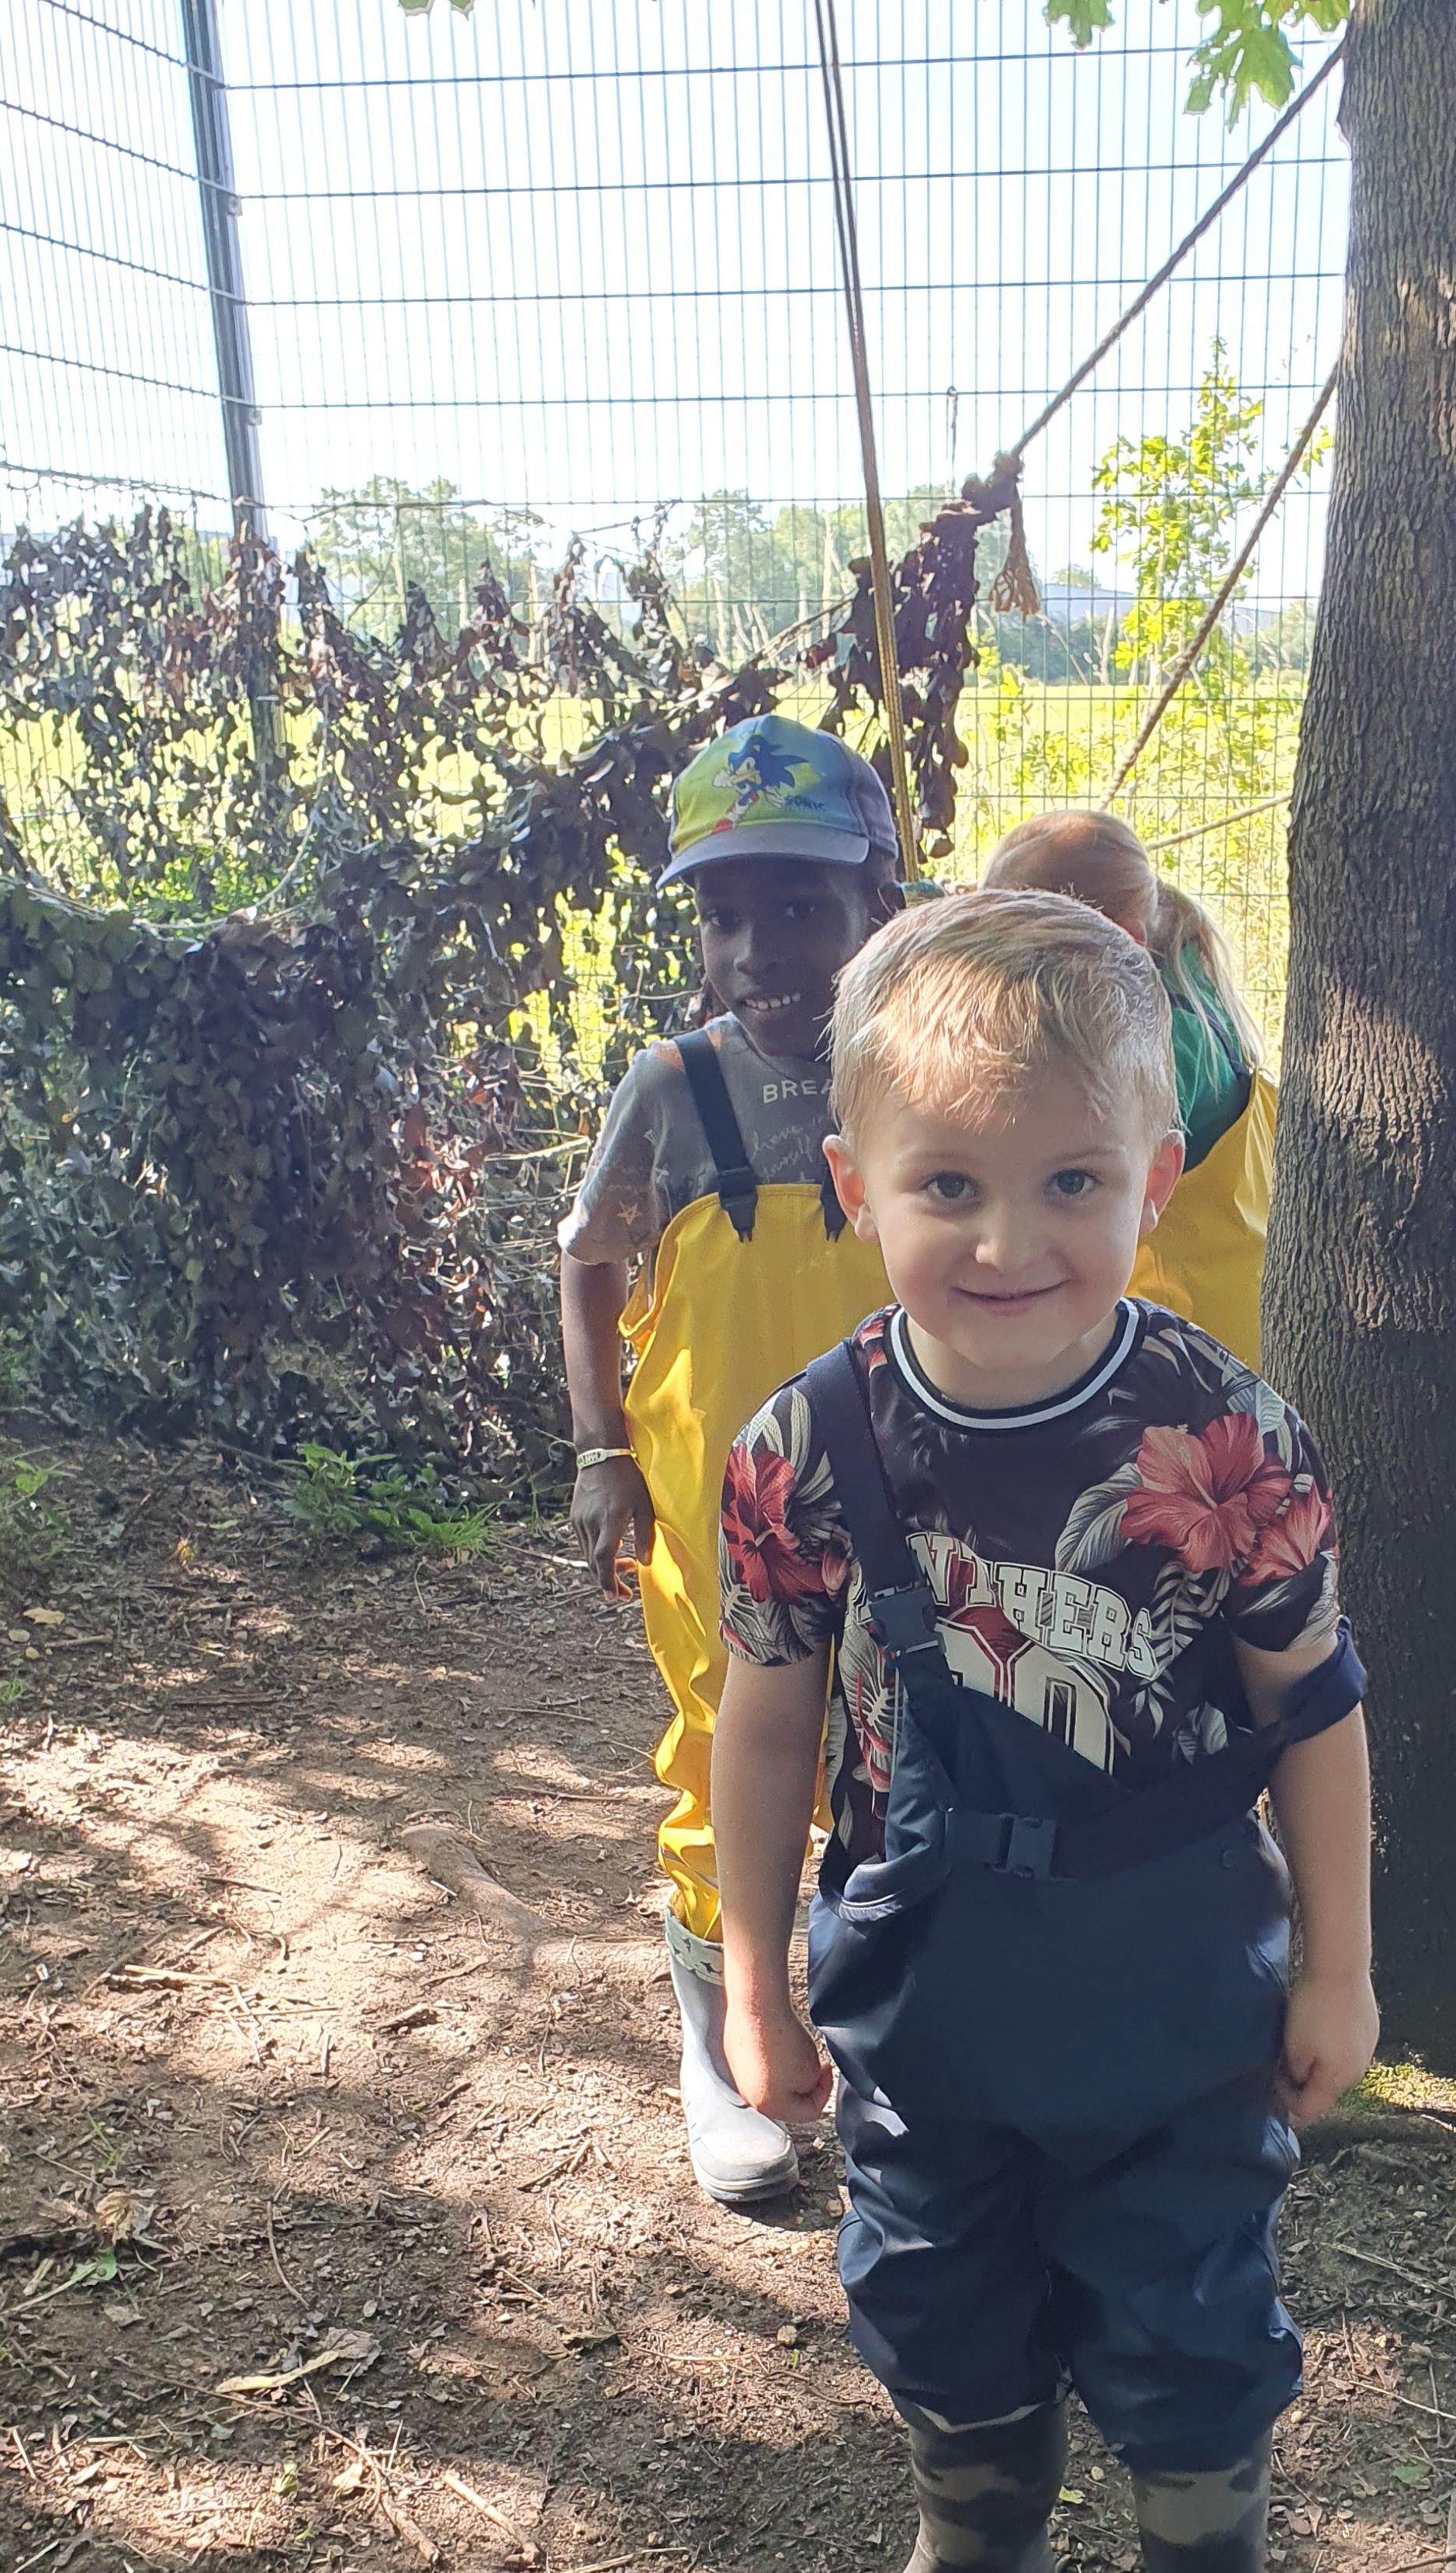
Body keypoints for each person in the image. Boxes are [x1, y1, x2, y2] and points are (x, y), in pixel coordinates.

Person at [710, 888, 1377, 2573]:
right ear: (857, 1187)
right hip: (928, 1989)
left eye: (1072, 1180)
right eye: (951, 1186)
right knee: (933, 2290)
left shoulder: (1223, 1434)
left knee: (1187, 2323)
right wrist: (752, 1979)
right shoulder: (807, 1447)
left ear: (1157, 1178)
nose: (1011, 1240)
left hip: (1173, 1989)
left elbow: (1318, 1707)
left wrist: (1343, 1969)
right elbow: (764, 1722)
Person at [559, 717, 904, 2211]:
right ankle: (719, 2040)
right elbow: (588, 1262)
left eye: (800, 906)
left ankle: (891, 2039)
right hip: (720, 1508)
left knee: (902, 1751)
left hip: (909, 1493)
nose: (760, 949)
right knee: (725, 1751)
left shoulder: (921, 1072)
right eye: (724, 914)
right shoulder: (671, 1088)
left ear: (878, 900)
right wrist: (600, 1450)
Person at [979, 809, 1273, 1369]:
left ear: (1122, 943)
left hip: (1178, 1331)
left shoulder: (1158, 1046)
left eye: (1030, 960)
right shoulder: (1186, 995)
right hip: (1219, 1298)